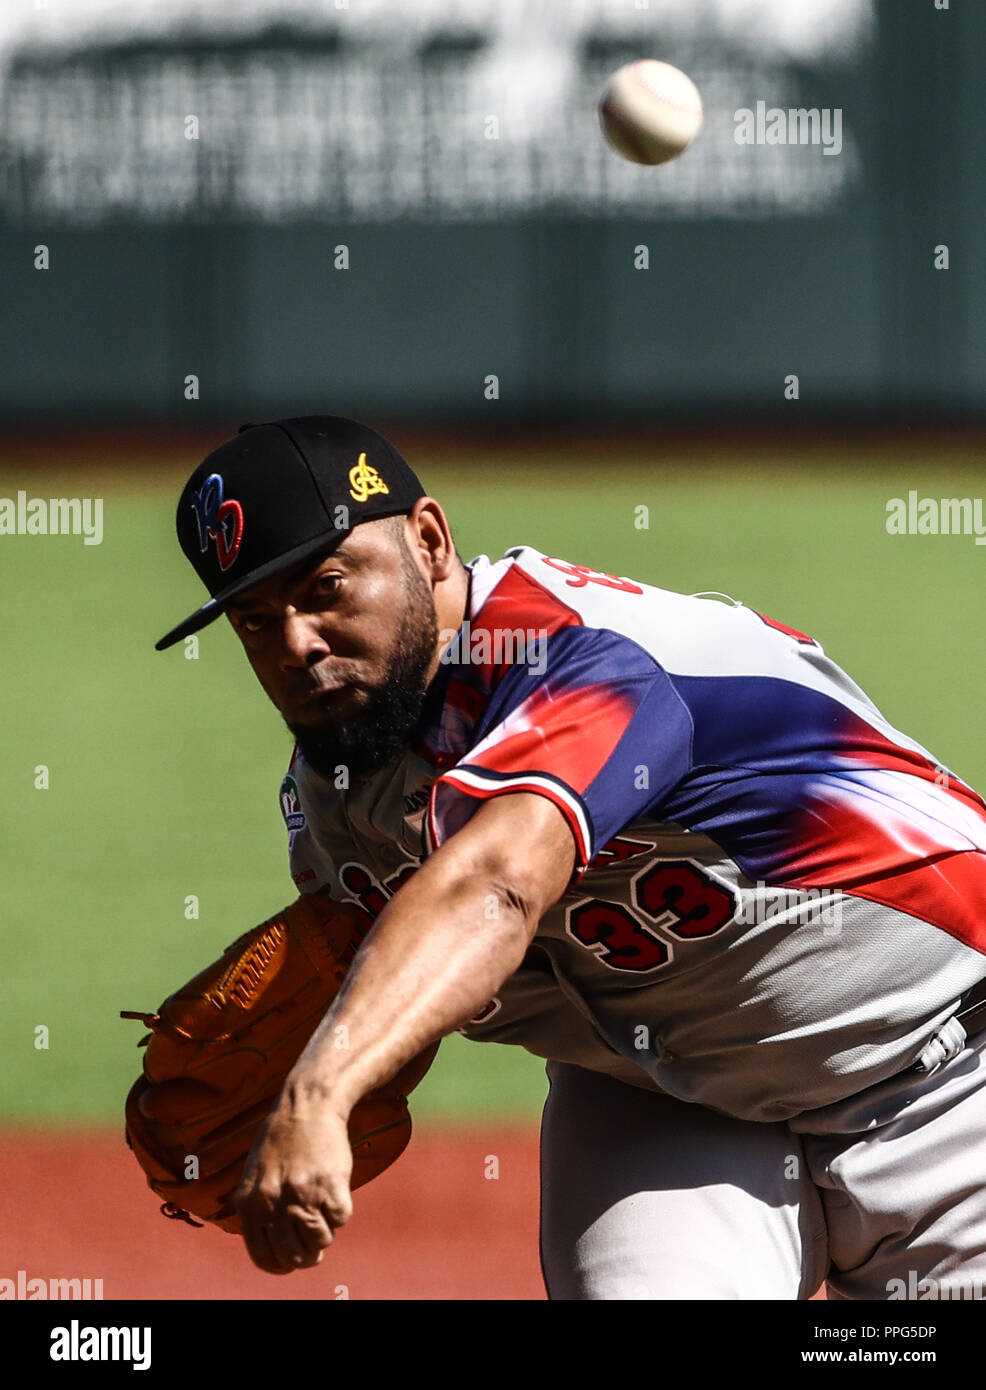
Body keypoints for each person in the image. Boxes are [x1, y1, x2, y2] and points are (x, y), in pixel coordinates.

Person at [156, 414, 986, 1300]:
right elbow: (414, 975)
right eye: (254, 619)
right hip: (663, 1098)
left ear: (429, 542)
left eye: (324, 585)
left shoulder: (582, 655)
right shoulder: (337, 792)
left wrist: (317, 1093)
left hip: (945, 1070)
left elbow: (497, 883)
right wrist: (332, 1056)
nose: (295, 645)